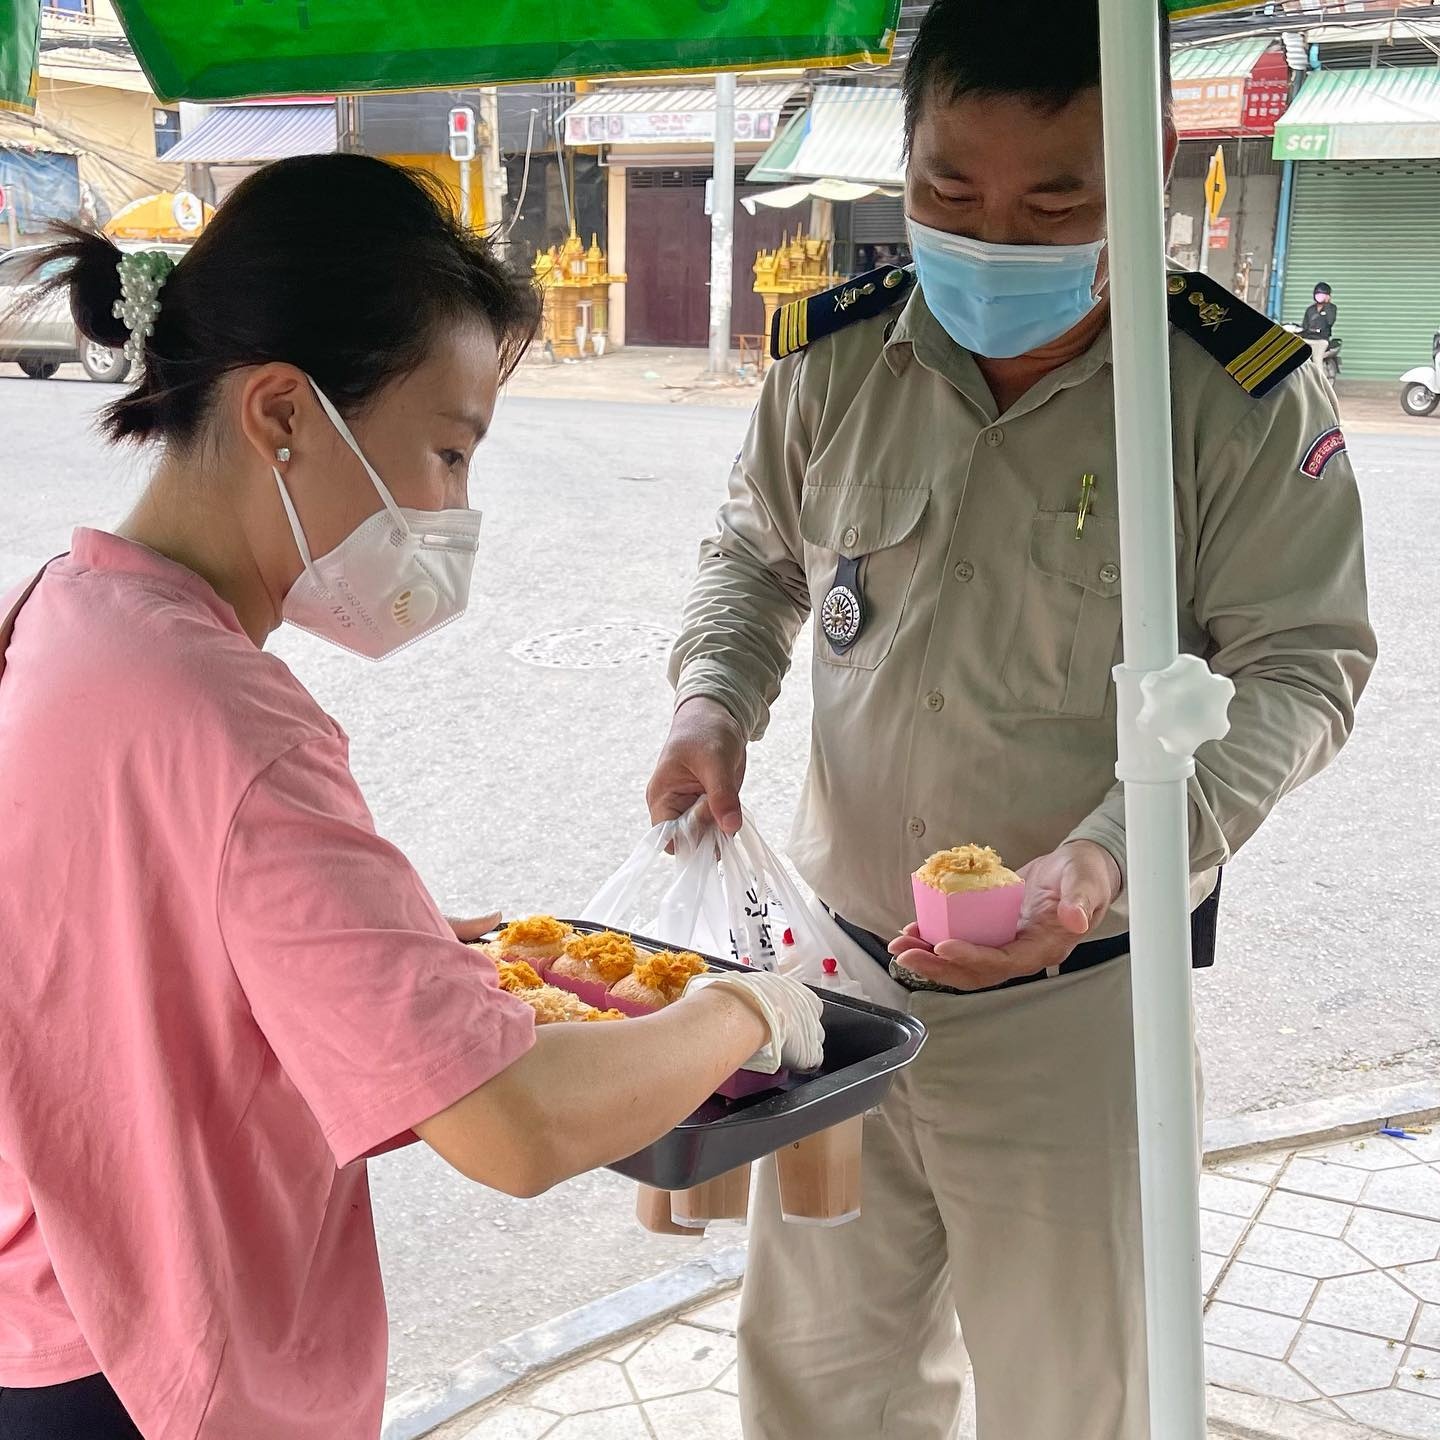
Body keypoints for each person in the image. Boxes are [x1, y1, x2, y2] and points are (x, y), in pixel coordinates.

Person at [0, 153, 825, 1440]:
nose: (455, 510)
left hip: (48, 1316)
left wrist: (375, 956)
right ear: (283, 412)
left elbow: (110, 947)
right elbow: (512, 1125)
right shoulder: (232, 721)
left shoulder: (66, 613)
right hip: (164, 1370)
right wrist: (741, 1011)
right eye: (448, 450)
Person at [645, 2, 1376, 1437]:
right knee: (818, 1390)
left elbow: (1305, 666)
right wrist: (712, 699)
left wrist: (1108, 852)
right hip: (836, 989)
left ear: (1153, 167)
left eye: (1054, 203)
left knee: (1076, 1402)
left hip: (1078, 1010)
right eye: (949, 191)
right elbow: (756, 556)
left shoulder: (1233, 399)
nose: (995, 238)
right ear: (905, 157)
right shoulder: (837, 360)